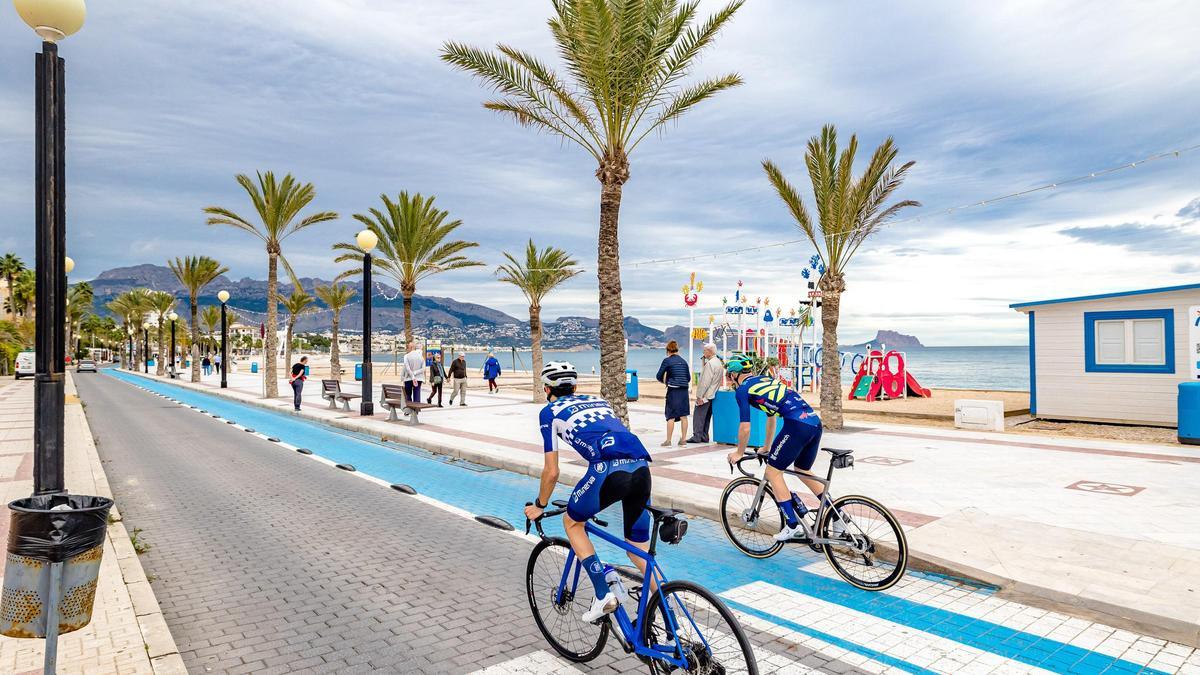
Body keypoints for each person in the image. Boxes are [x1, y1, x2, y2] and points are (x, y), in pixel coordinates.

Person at [523, 362, 653, 623]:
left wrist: (540, 504)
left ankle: (603, 594)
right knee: (638, 549)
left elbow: (552, 471)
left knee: (572, 522)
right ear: (575, 387)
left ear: (547, 388)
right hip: (642, 468)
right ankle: (665, 600)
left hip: (607, 470)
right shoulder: (599, 402)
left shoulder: (550, 412)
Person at [723, 354, 825, 543]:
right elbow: (771, 416)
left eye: (729, 375)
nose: (729, 380)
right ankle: (836, 514)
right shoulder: (764, 380)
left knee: (772, 472)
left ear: (735, 375)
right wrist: (767, 447)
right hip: (814, 423)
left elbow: (745, 427)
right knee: (802, 470)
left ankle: (792, 525)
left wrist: (738, 452)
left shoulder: (742, 390)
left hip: (796, 425)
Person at [655, 340, 690, 447]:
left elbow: (658, 375)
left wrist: (665, 381)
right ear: (677, 350)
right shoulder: (684, 361)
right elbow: (688, 378)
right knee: (684, 415)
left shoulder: (667, 361)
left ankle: (668, 441)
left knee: (671, 415)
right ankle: (683, 440)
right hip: (684, 390)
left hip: (673, 390)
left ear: (668, 350)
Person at [687, 343, 723, 443]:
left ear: (710, 351)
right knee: (707, 416)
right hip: (713, 394)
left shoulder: (710, 364)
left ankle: (697, 436)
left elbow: (704, 382)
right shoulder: (718, 363)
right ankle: (704, 435)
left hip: (706, 395)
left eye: (705, 350)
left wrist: (699, 396)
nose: (703, 352)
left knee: (698, 416)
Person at [402, 340, 425, 406]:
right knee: (417, 393)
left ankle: (408, 409)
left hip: (408, 379)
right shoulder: (421, 357)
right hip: (419, 378)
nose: (407, 349)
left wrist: (412, 376)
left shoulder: (406, 356)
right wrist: (415, 373)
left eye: (408, 347)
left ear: (411, 347)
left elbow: (407, 368)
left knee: (408, 394)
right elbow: (423, 369)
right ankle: (416, 409)